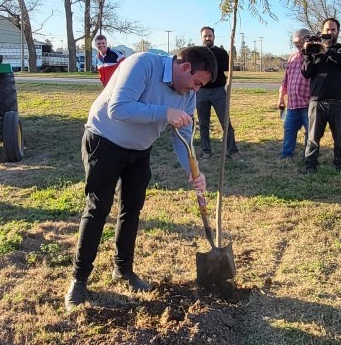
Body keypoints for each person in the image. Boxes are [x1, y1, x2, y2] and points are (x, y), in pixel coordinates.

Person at [65, 47, 217, 311]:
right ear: (184, 67)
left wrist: (193, 171)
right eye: (196, 83)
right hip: (104, 140)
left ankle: (123, 270)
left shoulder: (187, 95)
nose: (195, 91)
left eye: (200, 87)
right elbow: (119, 108)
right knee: (98, 209)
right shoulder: (143, 64)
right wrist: (165, 113)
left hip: (139, 150)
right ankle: (79, 281)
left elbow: (183, 134)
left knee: (132, 209)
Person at [302, 18, 341, 173]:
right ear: (322, 31)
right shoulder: (315, 50)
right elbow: (306, 73)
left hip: (339, 102)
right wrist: (307, 53)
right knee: (312, 138)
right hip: (317, 102)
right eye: (327, 29)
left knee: (340, 139)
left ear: (338, 31)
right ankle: (310, 166)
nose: (330, 32)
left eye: (333, 29)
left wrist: (327, 50)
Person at [197, 26, 240, 160]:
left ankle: (232, 151)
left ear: (214, 37)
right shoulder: (197, 53)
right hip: (202, 92)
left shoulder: (221, 52)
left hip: (218, 92)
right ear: (201, 38)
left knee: (225, 122)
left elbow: (226, 67)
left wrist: (209, 65)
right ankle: (206, 150)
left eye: (210, 36)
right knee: (203, 124)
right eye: (205, 36)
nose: (207, 38)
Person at [277, 28, 312, 159]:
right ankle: (286, 154)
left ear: (307, 38)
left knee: (310, 132)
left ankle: (309, 155)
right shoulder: (292, 57)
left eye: (299, 41)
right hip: (293, 104)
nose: (297, 44)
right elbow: (285, 79)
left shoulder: (313, 56)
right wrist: (281, 97)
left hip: (308, 103)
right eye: (294, 42)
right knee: (289, 129)